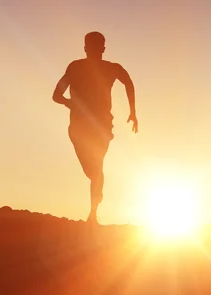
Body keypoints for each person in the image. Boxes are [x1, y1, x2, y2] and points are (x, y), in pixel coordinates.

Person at [52, 31, 138, 225]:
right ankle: (96, 196)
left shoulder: (110, 69)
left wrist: (133, 111)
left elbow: (128, 82)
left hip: (100, 125)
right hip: (80, 126)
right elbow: (57, 94)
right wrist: (69, 103)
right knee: (92, 170)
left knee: (97, 167)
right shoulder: (76, 68)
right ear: (102, 48)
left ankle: (93, 214)